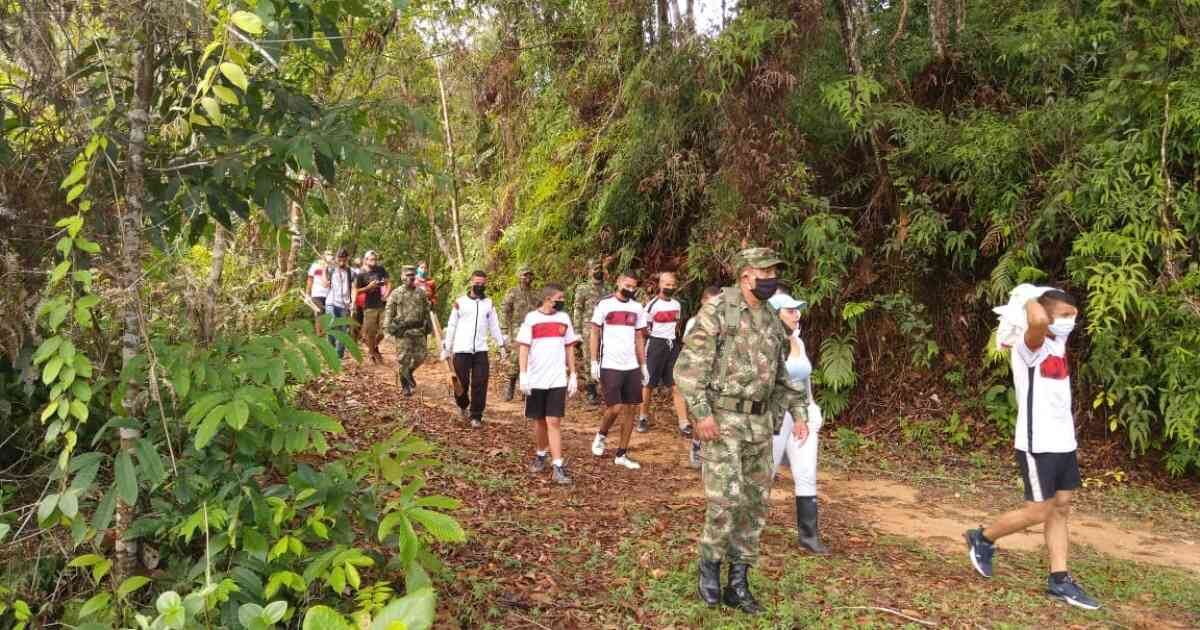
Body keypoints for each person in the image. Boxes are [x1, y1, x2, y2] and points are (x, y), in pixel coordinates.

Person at [675, 247, 809, 614]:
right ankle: (709, 570)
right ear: (746, 274)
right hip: (722, 422)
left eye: (775, 272)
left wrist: (798, 411)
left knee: (753, 504)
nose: (772, 278)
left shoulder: (770, 319)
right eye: (766, 272)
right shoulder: (718, 310)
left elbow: (783, 374)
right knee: (724, 500)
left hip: (760, 427)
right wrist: (701, 414)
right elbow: (688, 369)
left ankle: (739, 581)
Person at [964, 289, 1100, 610]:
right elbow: (1037, 319)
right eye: (1065, 315)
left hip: (1064, 442)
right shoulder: (1030, 347)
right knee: (1039, 509)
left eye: (1073, 315)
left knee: (1062, 506)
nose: (1072, 321)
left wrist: (1051, 310)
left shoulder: (1058, 342)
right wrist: (1025, 296)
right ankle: (982, 538)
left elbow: (1048, 320)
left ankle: (1059, 579)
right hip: (1037, 443)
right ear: (1045, 315)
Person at [767, 292, 829, 555]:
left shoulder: (798, 342)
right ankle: (746, 532)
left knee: (806, 473)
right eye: (790, 310)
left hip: (802, 416)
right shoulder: (766, 344)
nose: (797, 314)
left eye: (797, 310)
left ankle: (809, 535)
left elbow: (804, 382)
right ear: (775, 314)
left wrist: (810, 411)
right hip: (775, 416)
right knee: (764, 474)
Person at [517, 284, 579, 485]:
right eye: (559, 298)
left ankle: (558, 465)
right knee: (540, 421)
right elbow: (524, 349)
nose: (562, 301)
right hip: (536, 378)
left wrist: (573, 374)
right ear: (547, 299)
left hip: (557, 378)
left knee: (554, 421)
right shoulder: (532, 319)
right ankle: (541, 453)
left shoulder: (564, 319)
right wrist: (523, 374)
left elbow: (569, 347)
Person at [588, 271, 649, 470]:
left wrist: (643, 365)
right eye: (627, 285)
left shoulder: (637, 308)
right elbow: (595, 332)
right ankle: (602, 434)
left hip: (631, 365)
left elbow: (639, 337)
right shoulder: (605, 304)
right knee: (615, 408)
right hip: (610, 364)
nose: (630, 289)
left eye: (634, 287)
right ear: (618, 282)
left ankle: (622, 453)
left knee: (631, 408)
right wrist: (594, 360)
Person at [442, 271, 507, 428]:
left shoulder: (488, 304)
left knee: (480, 382)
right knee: (461, 382)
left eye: (482, 283)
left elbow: (494, 326)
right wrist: (447, 347)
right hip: (462, 349)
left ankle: (476, 415)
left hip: (480, 349)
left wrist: (501, 345)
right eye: (477, 283)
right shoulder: (460, 302)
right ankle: (462, 406)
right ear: (471, 283)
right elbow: (452, 326)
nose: (479, 286)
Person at [676, 286, 722, 469]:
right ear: (703, 301)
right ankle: (696, 445)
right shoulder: (695, 322)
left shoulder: (726, 321)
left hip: (719, 377)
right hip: (701, 376)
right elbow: (691, 352)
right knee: (701, 415)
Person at [637, 271, 683, 433]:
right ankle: (643, 417)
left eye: (672, 284)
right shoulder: (652, 305)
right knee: (648, 383)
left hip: (672, 345)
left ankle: (684, 422)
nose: (670, 287)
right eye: (667, 284)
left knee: (676, 383)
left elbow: (677, 325)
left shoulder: (677, 304)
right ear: (660, 284)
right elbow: (644, 329)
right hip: (655, 343)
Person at [385, 266, 432, 397]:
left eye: (412, 275)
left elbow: (427, 310)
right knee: (403, 359)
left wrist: (429, 327)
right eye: (407, 275)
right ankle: (405, 385)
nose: (410, 277)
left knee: (421, 357)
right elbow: (389, 311)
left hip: (418, 330)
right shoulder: (396, 293)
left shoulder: (420, 293)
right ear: (402, 277)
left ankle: (410, 372)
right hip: (403, 331)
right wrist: (386, 330)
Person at [501, 265, 541, 402]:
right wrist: (505, 331)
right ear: (519, 276)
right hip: (518, 329)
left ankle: (527, 391)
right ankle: (509, 387)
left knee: (532, 359)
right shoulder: (512, 292)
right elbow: (505, 311)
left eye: (530, 275)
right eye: (525, 275)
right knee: (514, 360)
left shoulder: (536, 293)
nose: (527, 278)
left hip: (534, 329)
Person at [572, 258, 607, 404]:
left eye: (600, 268)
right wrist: (577, 331)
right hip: (588, 328)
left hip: (606, 328)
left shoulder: (608, 288)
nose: (598, 271)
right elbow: (578, 309)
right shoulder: (583, 288)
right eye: (595, 269)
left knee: (604, 356)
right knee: (588, 359)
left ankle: (605, 387)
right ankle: (591, 390)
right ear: (589, 271)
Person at [354, 251, 390, 363]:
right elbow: (356, 290)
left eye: (375, 259)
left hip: (382, 304)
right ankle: (371, 354)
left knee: (385, 329)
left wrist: (386, 294)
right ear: (365, 260)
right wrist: (368, 287)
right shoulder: (361, 274)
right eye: (371, 259)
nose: (373, 262)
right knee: (371, 332)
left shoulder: (380, 269)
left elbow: (388, 283)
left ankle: (373, 347)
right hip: (369, 306)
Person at [324, 249, 354, 359]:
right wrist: (325, 269)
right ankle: (331, 351)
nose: (342, 260)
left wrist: (352, 302)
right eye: (339, 258)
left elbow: (354, 287)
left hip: (344, 305)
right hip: (331, 302)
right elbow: (325, 283)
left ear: (347, 258)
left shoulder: (351, 272)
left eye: (344, 258)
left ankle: (338, 356)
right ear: (337, 259)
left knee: (343, 331)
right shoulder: (331, 269)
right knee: (331, 326)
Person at [306, 250, 333, 333]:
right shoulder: (315, 265)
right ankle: (319, 333)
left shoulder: (332, 267)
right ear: (323, 255)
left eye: (331, 254)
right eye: (328, 254)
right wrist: (307, 294)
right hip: (317, 293)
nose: (330, 256)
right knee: (319, 312)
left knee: (328, 314)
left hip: (329, 294)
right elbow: (310, 280)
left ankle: (326, 333)